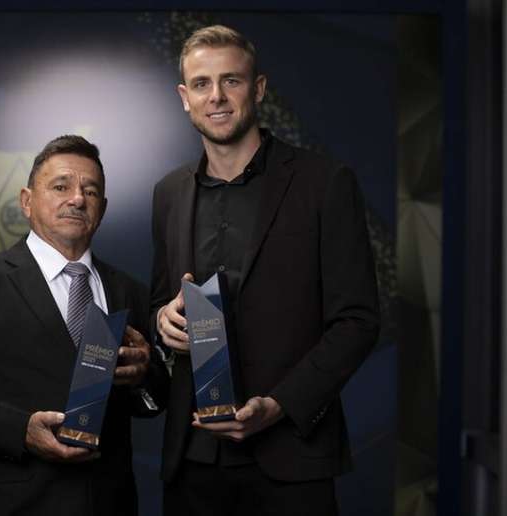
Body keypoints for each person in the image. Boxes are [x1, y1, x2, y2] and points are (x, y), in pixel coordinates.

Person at [151, 25, 380, 515]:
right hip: (191, 460)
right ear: (184, 97)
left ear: (257, 88)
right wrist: (161, 322)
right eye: (201, 84)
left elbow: (357, 320)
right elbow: (159, 299)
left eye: (231, 81)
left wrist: (280, 405)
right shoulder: (169, 193)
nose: (216, 97)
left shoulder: (325, 183)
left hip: (292, 457)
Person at [0, 135, 169, 516]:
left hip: (108, 502)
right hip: (11, 503)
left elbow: (153, 402)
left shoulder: (129, 290)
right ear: (27, 201)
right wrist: (20, 431)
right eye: (61, 186)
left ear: (103, 208)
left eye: (91, 191)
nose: (78, 198)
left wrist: (144, 374)